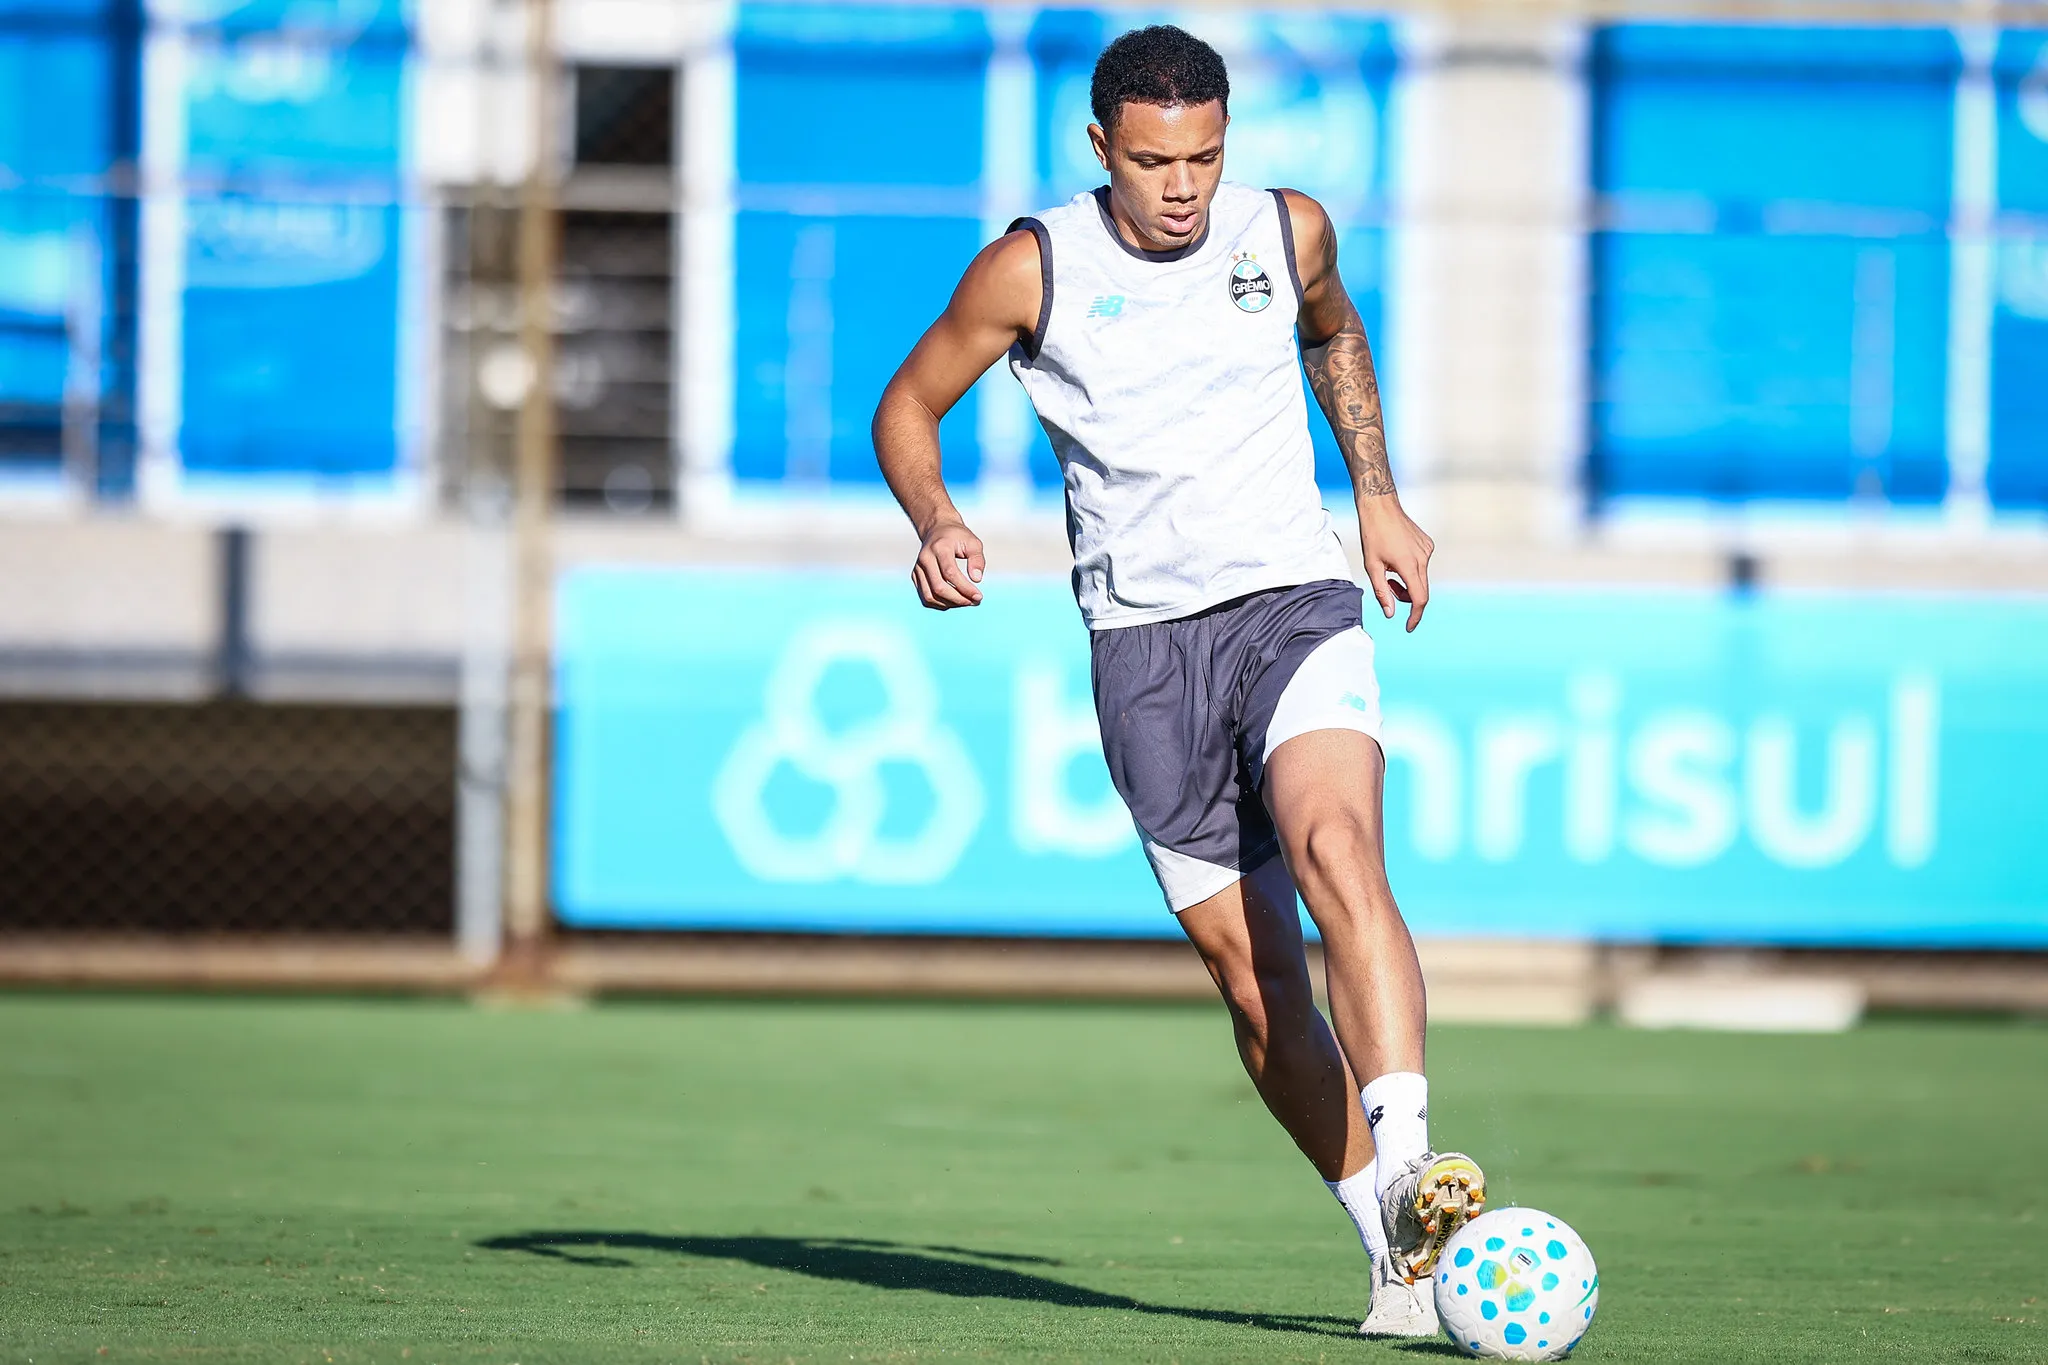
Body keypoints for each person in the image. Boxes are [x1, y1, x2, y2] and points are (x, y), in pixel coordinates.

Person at [871, 23, 1484, 1338]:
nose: (1185, 187)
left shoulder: (1287, 228)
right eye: (1155, 162)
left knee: (1339, 855)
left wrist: (1377, 494)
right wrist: (936, 520)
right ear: (1103, 148)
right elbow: (907, 406)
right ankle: (1390, 1236)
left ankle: (1420, 1158)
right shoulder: (1033, 268)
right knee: (1259, 985)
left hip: (1293, 603)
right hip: (1146, 655)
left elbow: (1333, 330)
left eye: (1205, 156)